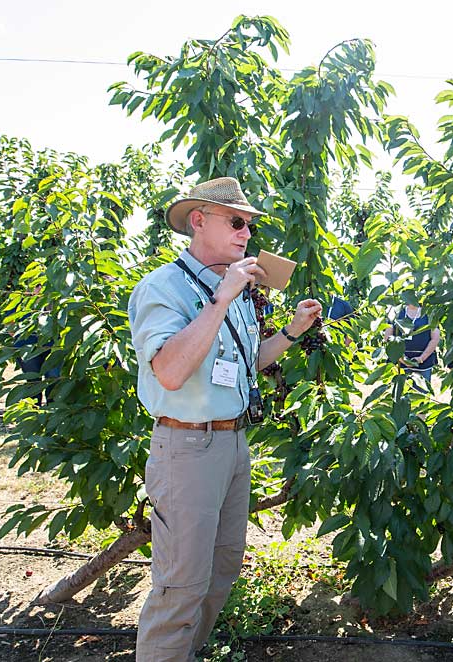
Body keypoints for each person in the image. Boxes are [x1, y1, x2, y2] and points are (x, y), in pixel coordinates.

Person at [128, 177, 323, 661]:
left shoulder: (230, 288)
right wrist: (221, 299)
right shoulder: (165, 288)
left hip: (232, 446)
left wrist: (294, 333)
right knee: (180, 586)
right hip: (187, 449)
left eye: (249, 225)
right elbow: (170, 371)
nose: (246, 234)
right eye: (236, 222)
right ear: (198, 221)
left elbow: (245, 361)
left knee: (220, 571)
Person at [383, 299, 440, 383]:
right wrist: (401, 358)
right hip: (399, 363)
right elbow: (388, 337)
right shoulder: (396, 312)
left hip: (423, 364)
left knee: (421, 393)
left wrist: (421, 358)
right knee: (399, 391)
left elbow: (435, 339)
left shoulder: (429, 313)